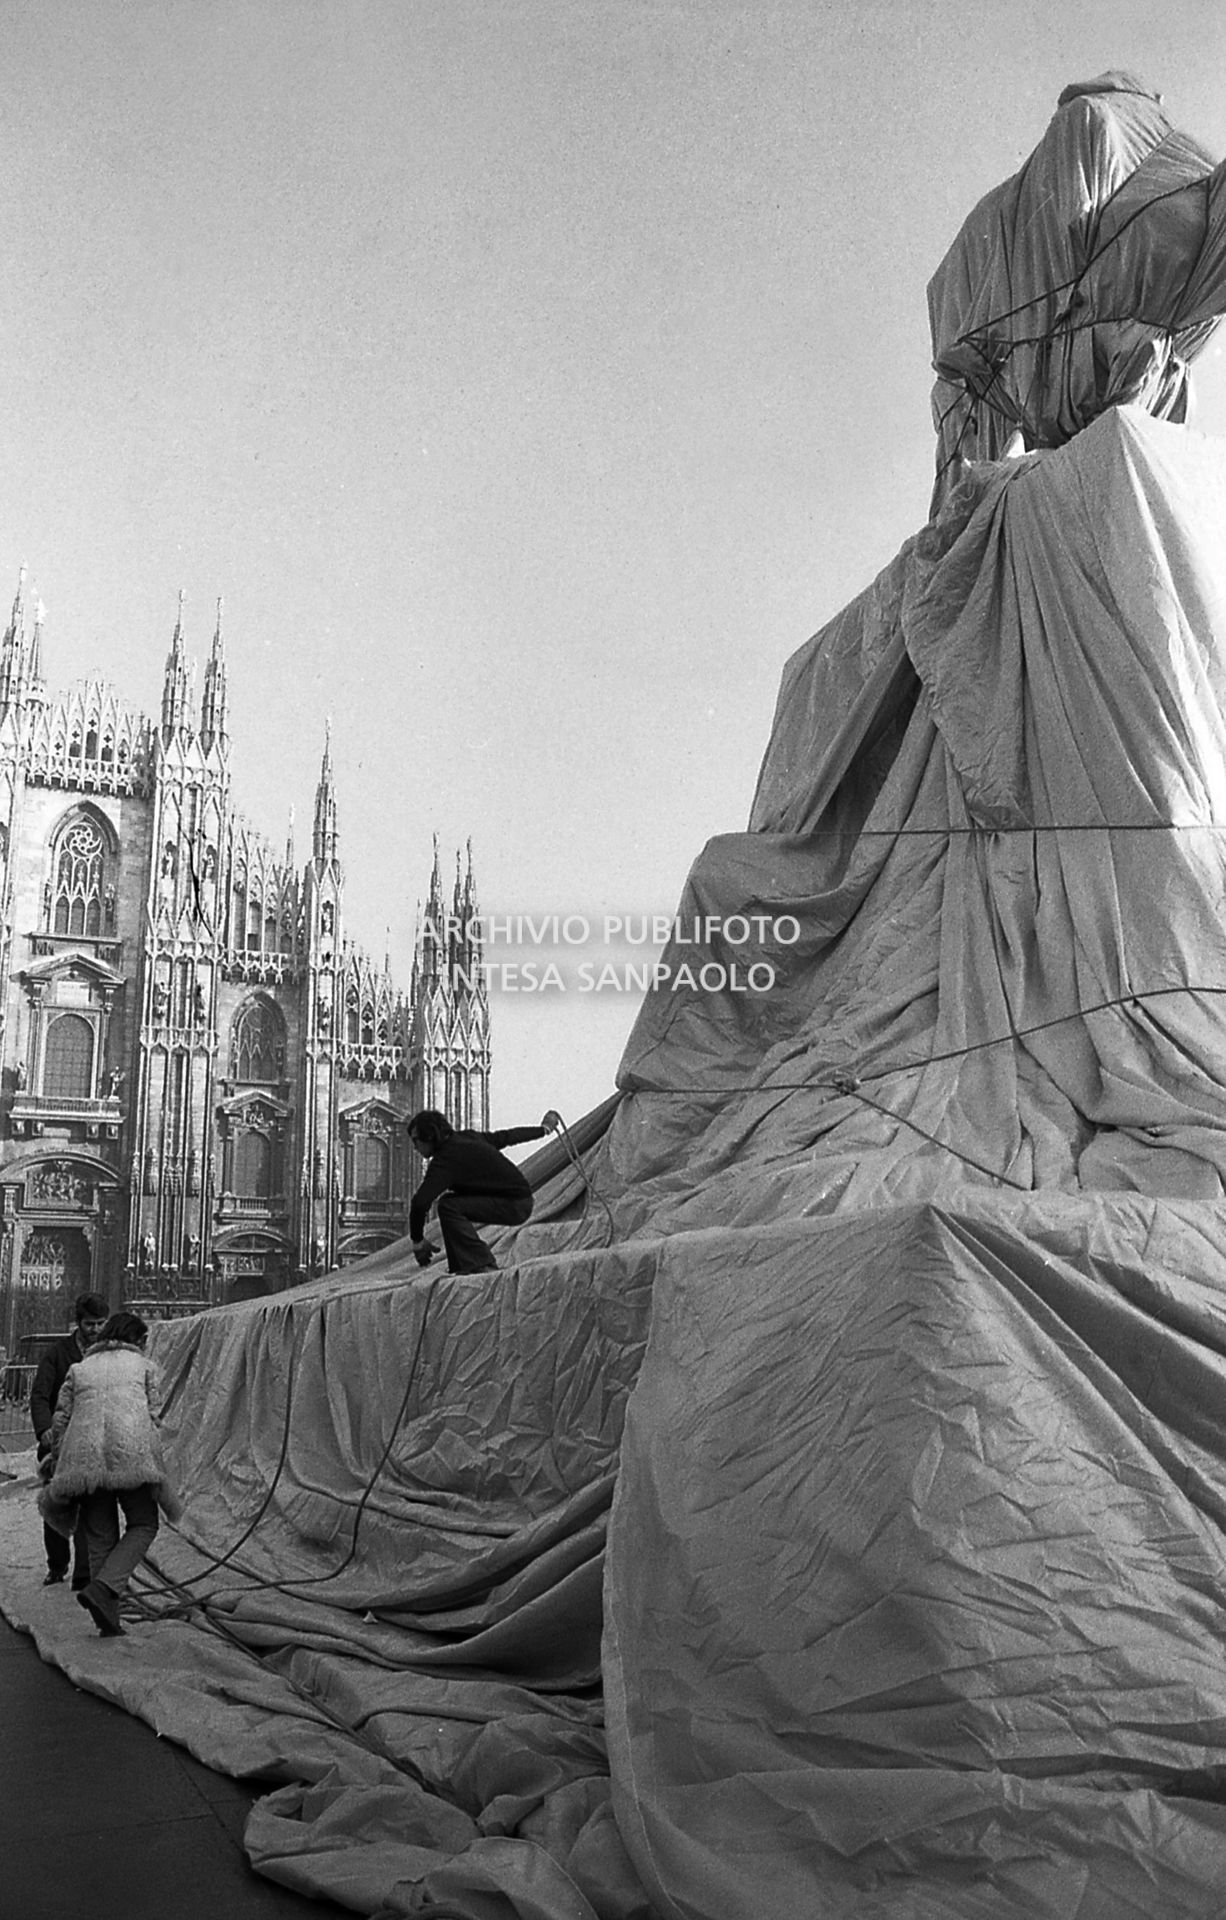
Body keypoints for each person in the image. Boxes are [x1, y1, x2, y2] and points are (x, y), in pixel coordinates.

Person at [42, 1310, 181, 1638]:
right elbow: (154, 1416)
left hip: (83, 1460)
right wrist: (157, 1467)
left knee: (101, 1535)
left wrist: (59, 1463)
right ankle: (104, 1589)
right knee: (144, 1524)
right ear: (137, 1340)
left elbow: (60, 1421)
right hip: (129, 1454)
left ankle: (107, 1617)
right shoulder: (143, 1367)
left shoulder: (80, 1368)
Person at [408, 1108, 559, 1274]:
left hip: (514, 1205)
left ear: (429, 1136)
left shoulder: (446, 1160)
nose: (415, 1147)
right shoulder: (468, 1137)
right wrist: (543, 1130)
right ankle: (463, 1265)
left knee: (448, 1206)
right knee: (448, 1203)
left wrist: (417, 1241)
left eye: (416, 1141)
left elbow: (420, 1202)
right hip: (520, 1199)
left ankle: (480, 1264)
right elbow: (506, 1137)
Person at [28, 1291, 110, 1589]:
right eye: (90, 1324)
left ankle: (85, 1573)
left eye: (101, 1323)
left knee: (92, 1508)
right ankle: (57, 1565)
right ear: (79, 1323)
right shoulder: (58, 1353)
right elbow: (39, 1396)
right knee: (57, 1505)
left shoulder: (107, 1355)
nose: (96, 1330)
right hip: (59, 1445)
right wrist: (45, 1430)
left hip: (92, 1442)